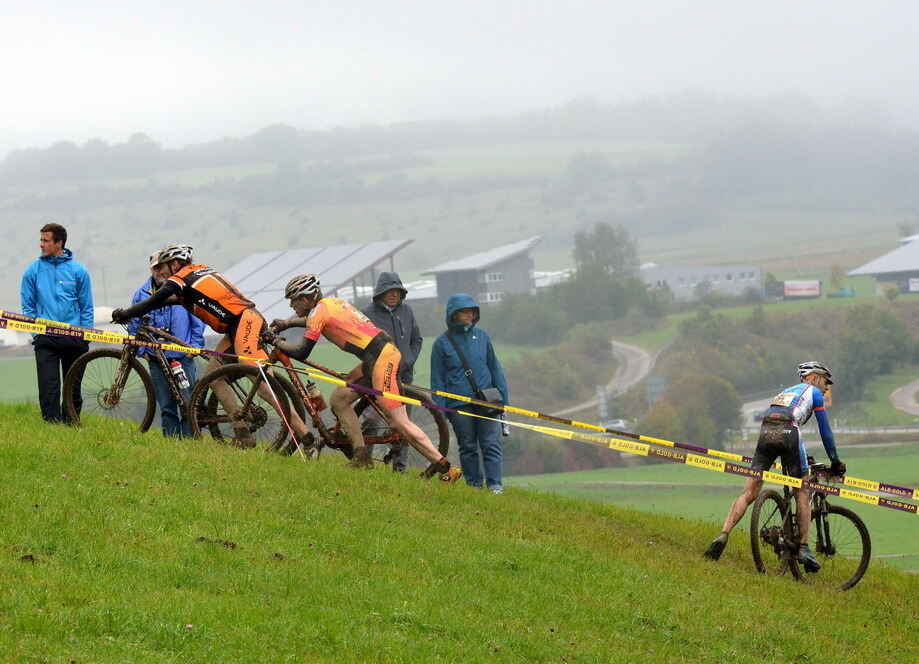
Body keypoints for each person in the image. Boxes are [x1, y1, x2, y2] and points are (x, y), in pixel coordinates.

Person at [264, 273, 461, 482]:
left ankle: (446, 468)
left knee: (402, 423)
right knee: (339, 400)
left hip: (381, 359)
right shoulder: (330, 303)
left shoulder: (319, 312)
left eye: (293, 301)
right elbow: (312, 321)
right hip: (376, 355)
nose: (292, 306)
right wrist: (287, 324)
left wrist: (275, 341)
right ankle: (361, 457)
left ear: (304, 299)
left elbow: (303, 351)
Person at [111, 244, 312, 447]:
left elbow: (154, 300)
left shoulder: (179, 279)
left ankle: (307, 437)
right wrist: (132, 310)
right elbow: (169, 301)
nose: (161, 271)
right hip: (238, 326)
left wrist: (126, 314)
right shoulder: (198, 273)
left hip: (245, 323)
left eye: (163, 266)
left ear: (174, 264)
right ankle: (242, 431)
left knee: (261, 384)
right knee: (213, 376)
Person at [704, 361, 846, 571]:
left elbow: (776, 417)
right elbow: (825, 431)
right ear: (814, 377)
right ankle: (805, 548)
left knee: (749, 492)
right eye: (826, 381)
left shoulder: (785, 392)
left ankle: (723, 535)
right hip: (789, 432)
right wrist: (835, 460)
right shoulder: (813, 392)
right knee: (802, 490)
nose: (826, 388)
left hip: (765, 432)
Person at [430, 293, 509, 494]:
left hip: (487, 401)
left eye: (473, 311)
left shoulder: (482, 336)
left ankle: (495, 486)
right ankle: (474, 486)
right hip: (458, 405)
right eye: (465, 311)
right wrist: (441, 411)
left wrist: (504, 400)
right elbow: (437, 379)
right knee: (467, 446)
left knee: (490, 444)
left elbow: (495, 368)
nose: (470, 315)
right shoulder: (441, 343)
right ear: (453, 314)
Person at [126, 251, 206, 437]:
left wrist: (192, 348)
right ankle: (171, 444)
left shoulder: (182, 289)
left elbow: (198, 320)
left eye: (162, 267)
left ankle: (190, 444)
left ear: (170, 267)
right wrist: (143, 351)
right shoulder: (141, 293)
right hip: (155, 358)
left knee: (188, 404)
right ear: (151, 270)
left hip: (182, 357)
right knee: (167, 407)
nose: (159, 271)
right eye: (155, 268)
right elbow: (134, 324)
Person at [20, 222, 94, 423]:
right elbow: (27, 307)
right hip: (45, 339)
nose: (41, 244)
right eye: (41, 240)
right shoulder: (32, 271)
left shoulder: (79, 271)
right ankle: (52, 428)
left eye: (45, 240)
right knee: (48, 388)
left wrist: (84, 337)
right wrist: (36, 334)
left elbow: (86, 307)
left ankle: (72, 425)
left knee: (73, 388)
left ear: (59, 243)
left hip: (74, 339)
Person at [360, 272, 423, 472]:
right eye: (390, 291)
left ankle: (400, 469)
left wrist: (407, 361)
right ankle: (364, 462)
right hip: (376, 379)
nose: (394, 295)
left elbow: (417, 339)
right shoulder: (367, 314)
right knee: (371, 419)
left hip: (404, 378)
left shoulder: (407, 311)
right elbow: (362, 345)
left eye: (398, 291)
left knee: (402, 426)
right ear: (381, 293)